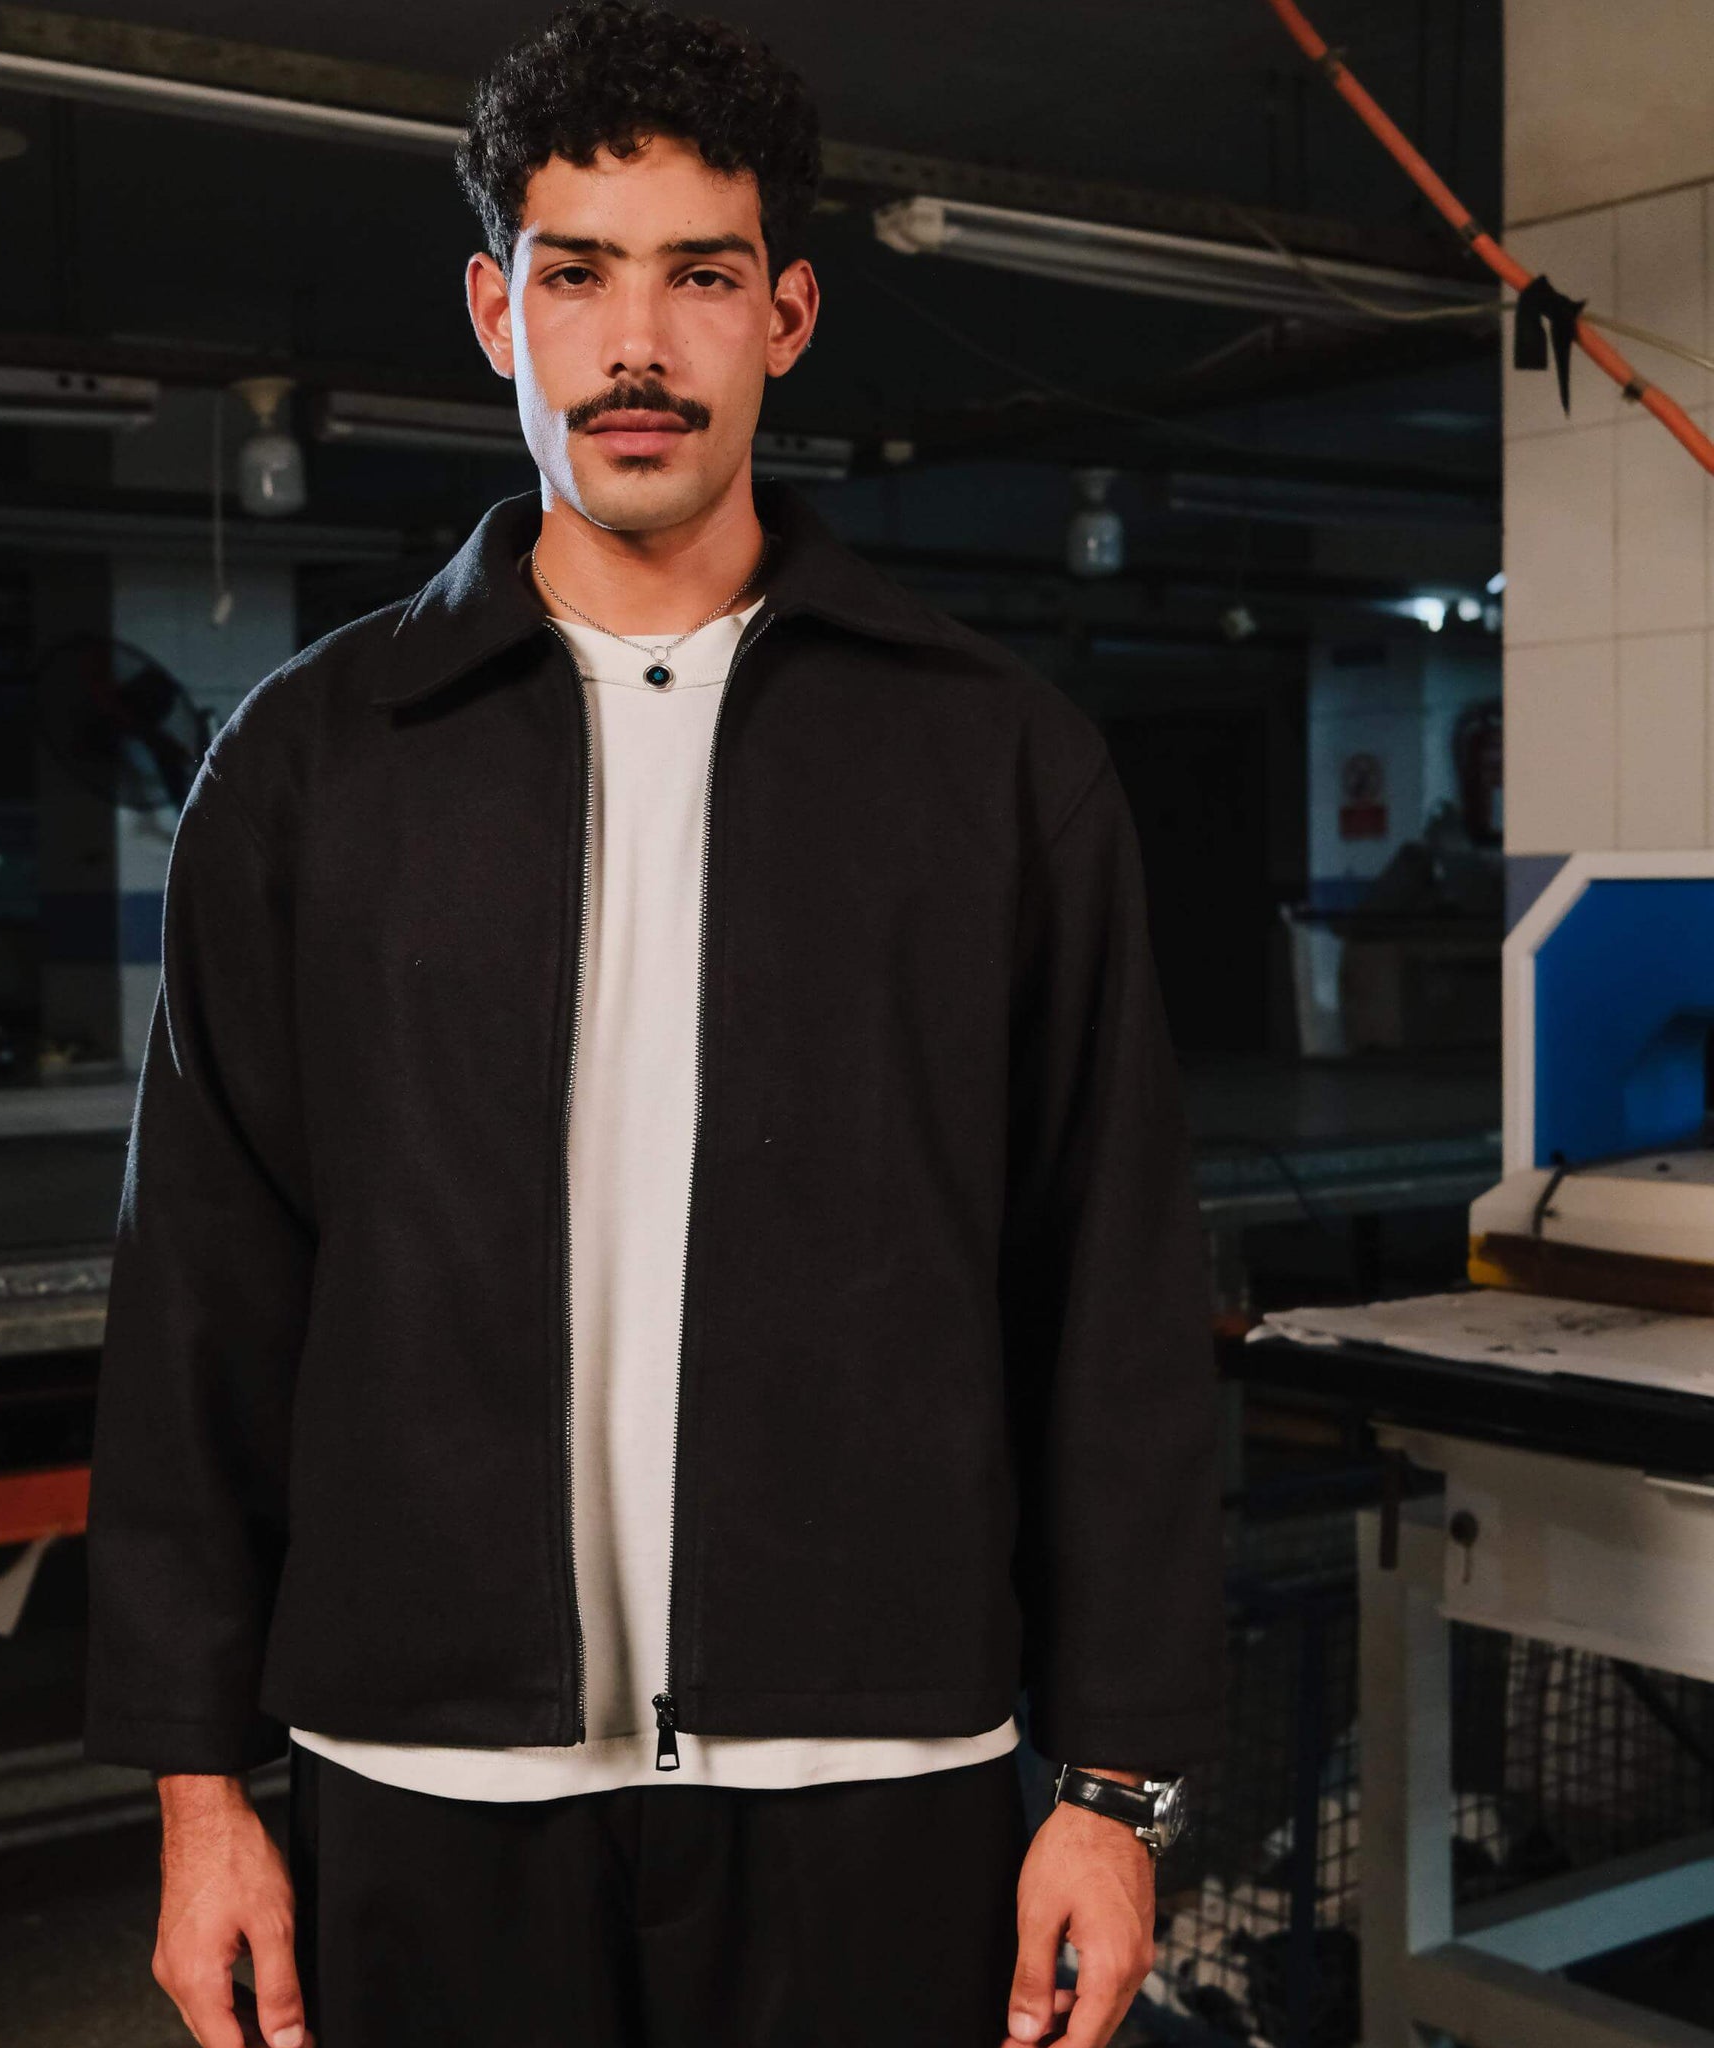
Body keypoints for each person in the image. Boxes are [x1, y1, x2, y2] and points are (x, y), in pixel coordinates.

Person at [83, 4, 1227, 2044]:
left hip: (878, 1767)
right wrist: (198, 1789)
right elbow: (204, 1294)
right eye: (577, 275)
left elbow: (1113, 1294)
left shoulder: (991, 760)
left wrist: (1115, 1783)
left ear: (785, 316)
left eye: (700, 276)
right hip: (429, 1770)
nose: (637, 344)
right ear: (493, 312)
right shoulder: (314, 767)